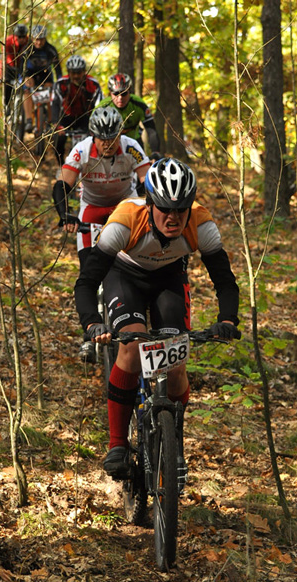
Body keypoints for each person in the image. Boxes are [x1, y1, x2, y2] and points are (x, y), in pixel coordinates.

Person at [74, 158, 240, 479]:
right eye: (165, 208)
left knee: (176, 366)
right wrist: (91, 322)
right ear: (150, 203)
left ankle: (173, 444)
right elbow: (87, 281)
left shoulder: (201, 224)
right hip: (124, 276)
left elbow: (224, 280)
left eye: (181, 209)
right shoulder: (125, 220)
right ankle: (118, 443)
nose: (174, 217)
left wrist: (228, 319)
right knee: (132, 347)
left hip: (169, 278)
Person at [53, 106, 150, 362]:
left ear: (121, 134)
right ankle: (89, 333)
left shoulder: (131, 147)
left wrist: (147, 206)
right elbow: (62, 183)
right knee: (89, 270)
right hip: (92, 209)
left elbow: (146, 180)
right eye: (103, 138)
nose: (108, 143)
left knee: (134, 262)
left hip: (125, 206)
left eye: (113, 138)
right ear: (93, 136)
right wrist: (65, 216)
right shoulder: (82, 150)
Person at [52, 54, 103, 165]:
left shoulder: (93, 84)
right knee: (57, 141)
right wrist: (57, 124)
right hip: (66, 117)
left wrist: (96, 125)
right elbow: (55, 104)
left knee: (94, 142)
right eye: (73, 73)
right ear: (68, 73)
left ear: (84, 71)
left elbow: (99, 106)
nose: (76, 76)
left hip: (85, 117)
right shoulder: (61, 84)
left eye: (79, 72)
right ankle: (61, 165)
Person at [97, 73, 160, 155]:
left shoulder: (138, 104)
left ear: (130, 91)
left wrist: (155, 152)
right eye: (116, 94)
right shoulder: (102, 107)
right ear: (110, 93)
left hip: (134, 142)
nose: (120, 98)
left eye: (124, 93)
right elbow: (93, 133)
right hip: (111, 144)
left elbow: (151, 130)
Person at [23, 25, 62, 132]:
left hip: (46, 76)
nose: (39, 43)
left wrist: (60, 82)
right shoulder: (27, 49)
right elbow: (21, 67)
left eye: (41, 40)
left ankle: (50, 122)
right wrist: (23, 78)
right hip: (30, 74)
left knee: (50, 94)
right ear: (32, 38)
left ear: (45, 39)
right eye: (36, 39)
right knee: (27, 91)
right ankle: (29, 121)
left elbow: (57, 68)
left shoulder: (51, 50)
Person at [0, 24, 29, 108]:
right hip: (9, 66)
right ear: (15, 36)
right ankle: (6, 106)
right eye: (19, 37)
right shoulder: (8, 41)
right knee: (7, 84)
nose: (21, 39)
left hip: (22, 67)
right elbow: (6, 57)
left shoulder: (29, 42)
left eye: (23, 37)